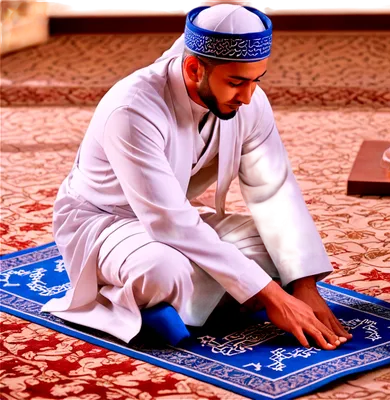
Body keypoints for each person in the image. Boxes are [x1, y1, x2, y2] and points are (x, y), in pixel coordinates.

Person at [42, 4, 352, 350]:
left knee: (278, 252)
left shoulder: (249, 100)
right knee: (162, 270)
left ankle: (177, 310)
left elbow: (271, 198)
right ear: (193, 69)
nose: (248, 97)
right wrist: (272, 294)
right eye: (236, 83)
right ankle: (128, 303)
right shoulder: (132, 108)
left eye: (255, 81)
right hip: (106, 221)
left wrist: (303, 283)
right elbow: (169, 221)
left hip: (179, 217)